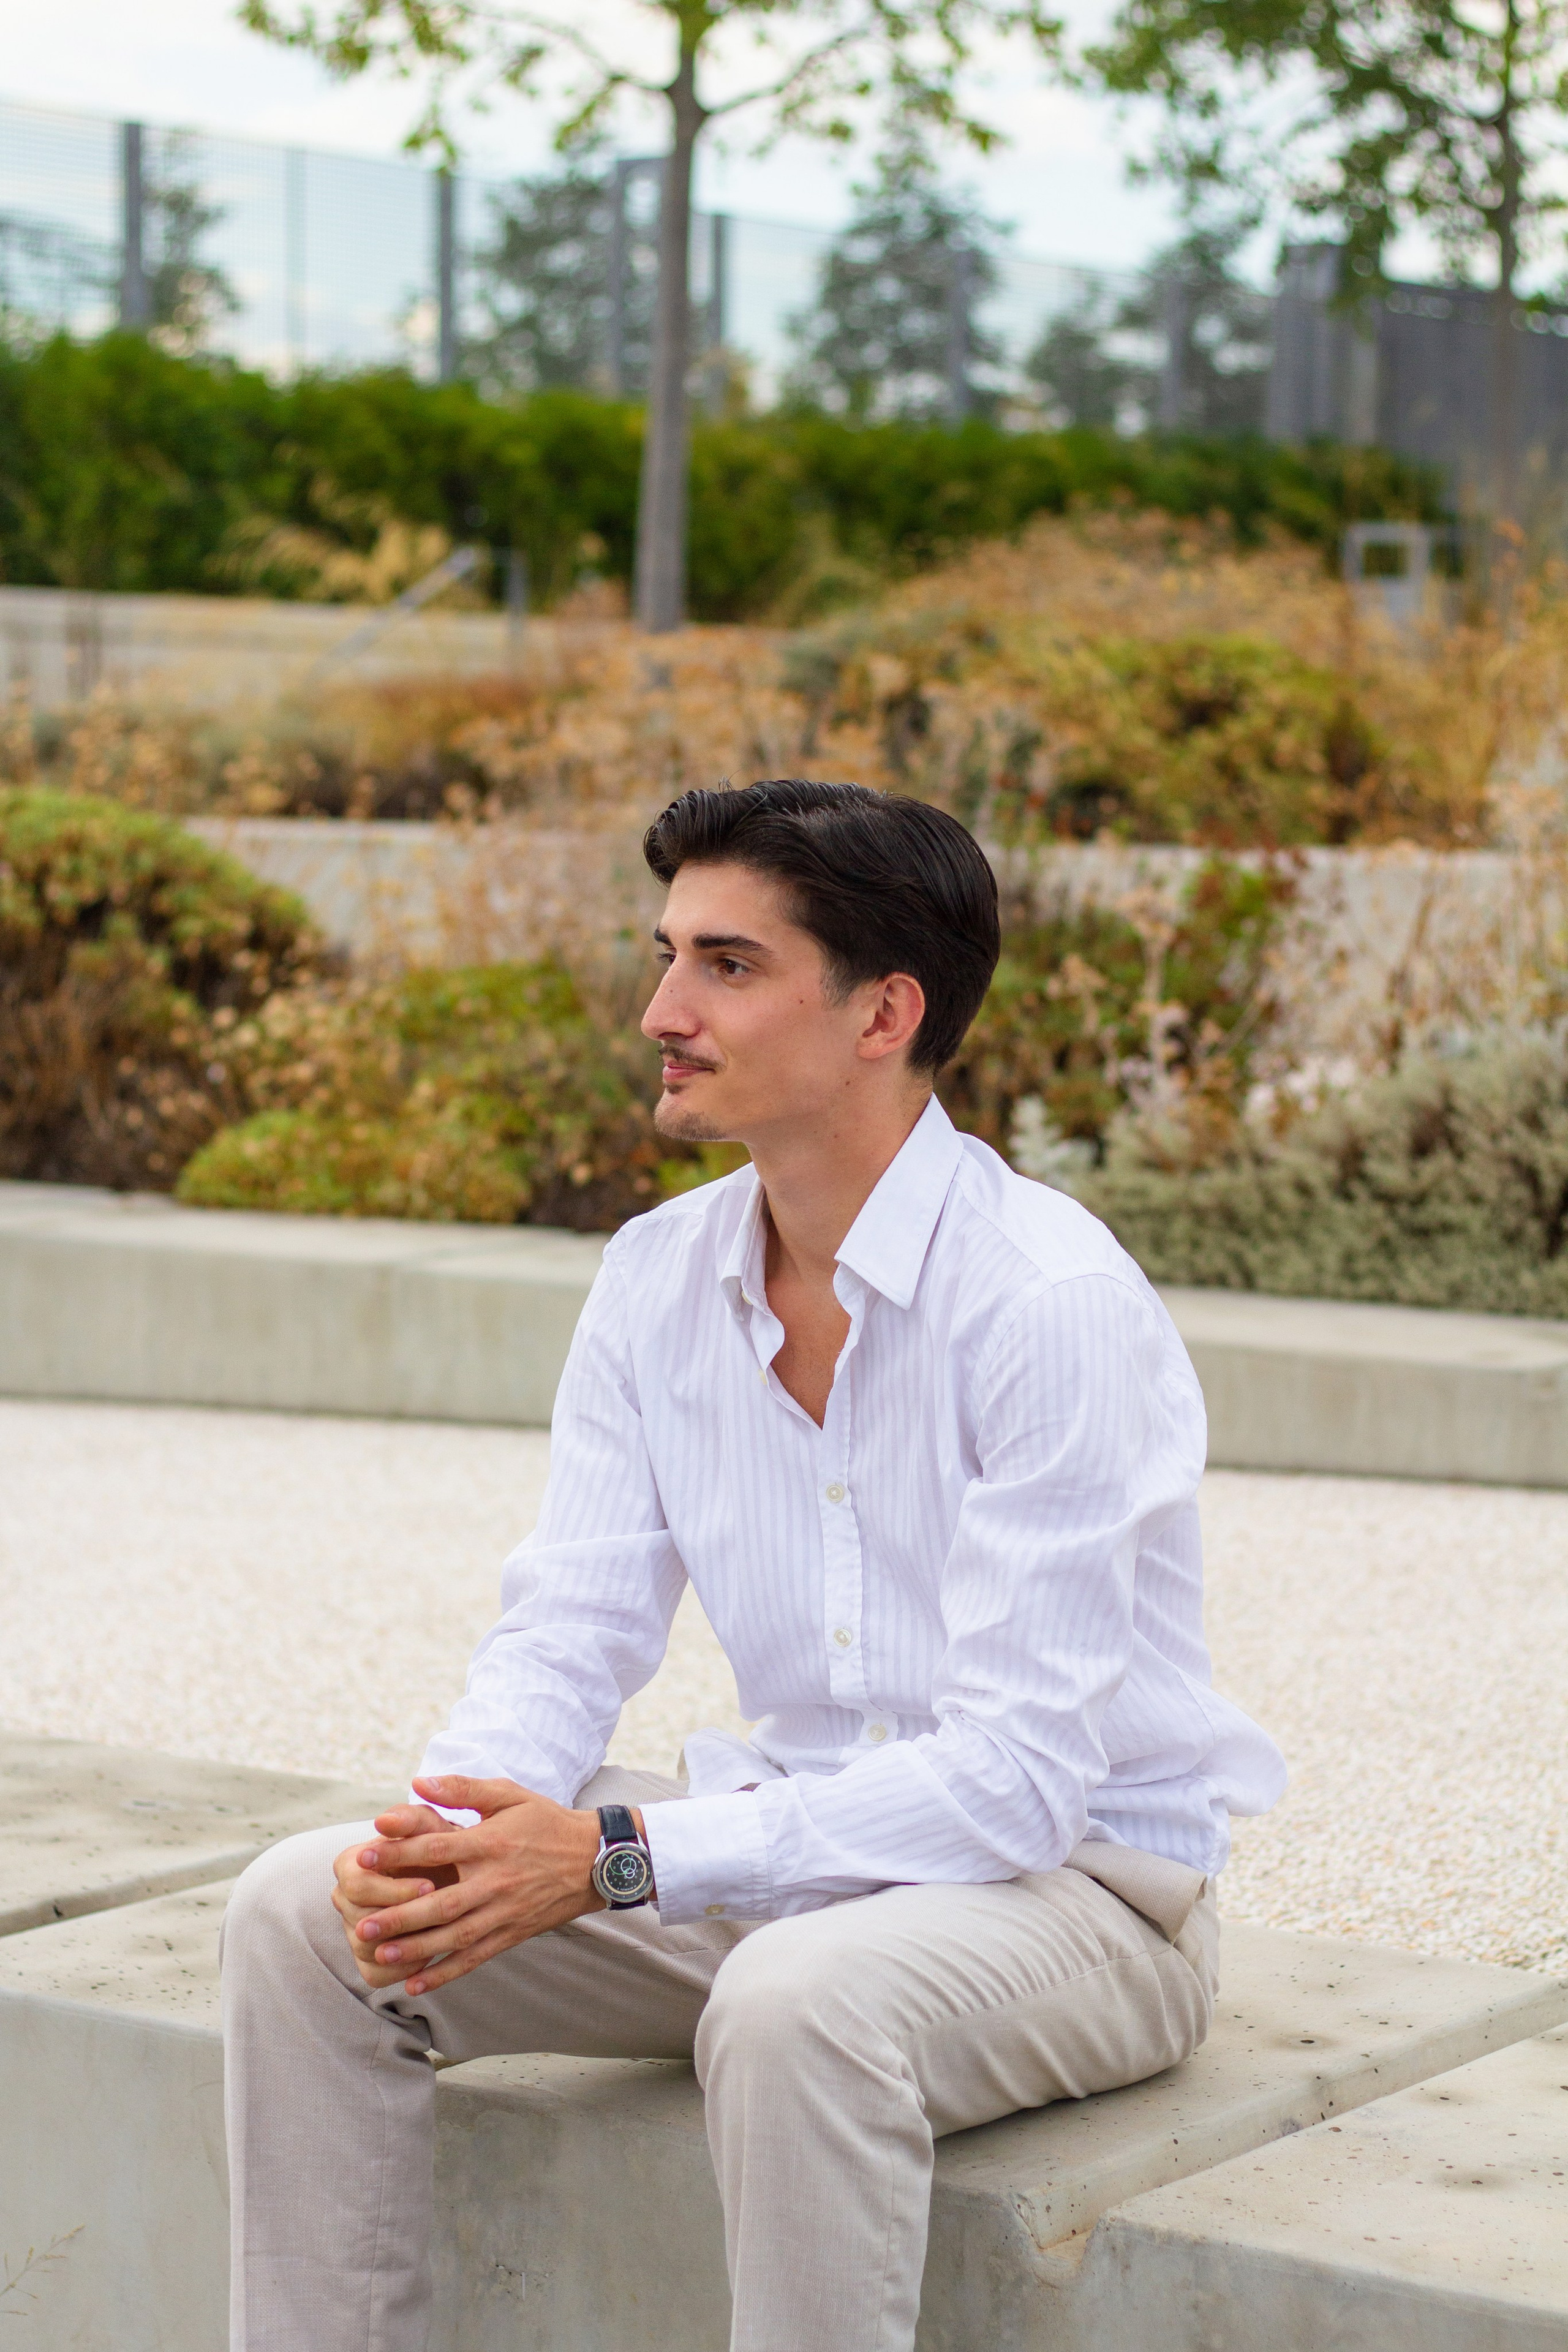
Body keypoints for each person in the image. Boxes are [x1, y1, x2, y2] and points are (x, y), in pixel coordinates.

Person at [221, 778, 1284, 2352]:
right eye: (666, 956)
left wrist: (607, 1855)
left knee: (800, 2005)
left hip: (1074, 1900)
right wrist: (461, 1830)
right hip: (789, 1862)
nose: (662, 1008)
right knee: (310, 1916)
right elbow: (569, 1627)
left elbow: (1011, 1788)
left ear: (882, 1013)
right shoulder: (657, 1279)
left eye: (725, 965)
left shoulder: (1046, 1301)